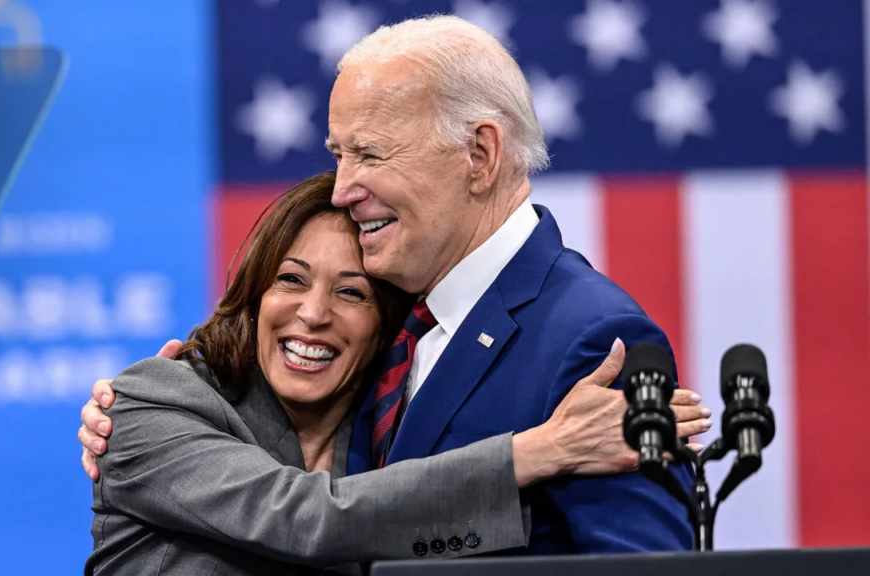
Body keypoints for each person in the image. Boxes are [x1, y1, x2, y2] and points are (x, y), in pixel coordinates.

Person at [83, 13, 711, 559]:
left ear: (480, 155)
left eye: (371, 155)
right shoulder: (397, 328)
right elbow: (314, 507)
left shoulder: (591, 337)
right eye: (338, 155)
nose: (342, 188)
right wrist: (159, 402)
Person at [82, 172, 706, 574]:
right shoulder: (148, 405)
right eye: (290, 280)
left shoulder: (381, 435)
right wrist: (544, 450)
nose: (313, 314)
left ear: (387, 327)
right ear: (252, 295)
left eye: (351, 294)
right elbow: (311, 517)